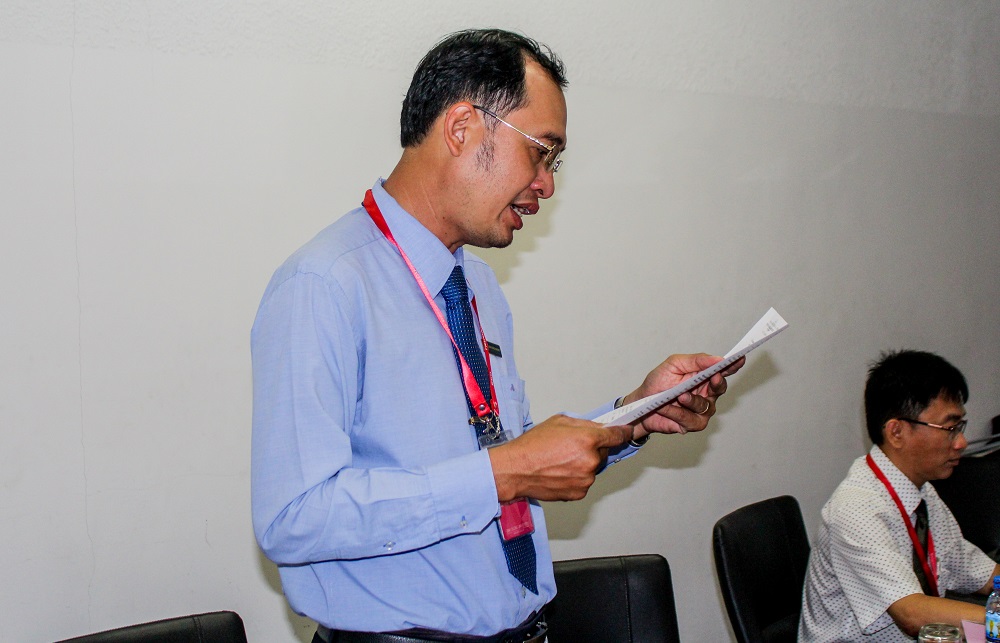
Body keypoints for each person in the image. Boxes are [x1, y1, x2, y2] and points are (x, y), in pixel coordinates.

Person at [251, 28, 741, 643]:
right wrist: (502, 473)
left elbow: (505, 450)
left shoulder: (476, 284)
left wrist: (634, 415)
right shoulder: (323, 285)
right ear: (461, 128)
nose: (547, 184)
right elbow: (294, 518)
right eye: (541, 152)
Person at [798, 350, 1000, 641]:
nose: (961, 442)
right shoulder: (856, 508)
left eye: (960, 427)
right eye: (950, 428)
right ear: (896, 432)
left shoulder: (921, 492)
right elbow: (913, 614)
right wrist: (995, 621)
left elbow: (974, 570)